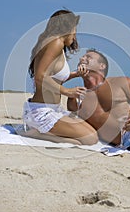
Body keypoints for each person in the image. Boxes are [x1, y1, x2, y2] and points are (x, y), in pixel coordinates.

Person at [22, 10, 98, 145]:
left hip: (54, 109)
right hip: (41, 111)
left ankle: (38, 132)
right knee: (90, 138)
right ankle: (36, 134)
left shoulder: (58, 45)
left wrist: (76, 74)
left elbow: (53, 79)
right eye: (75, 29)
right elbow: (40, 77)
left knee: (92, 134)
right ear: (67, 27)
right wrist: (67, 91)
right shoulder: (55, 43)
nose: (75, 35)